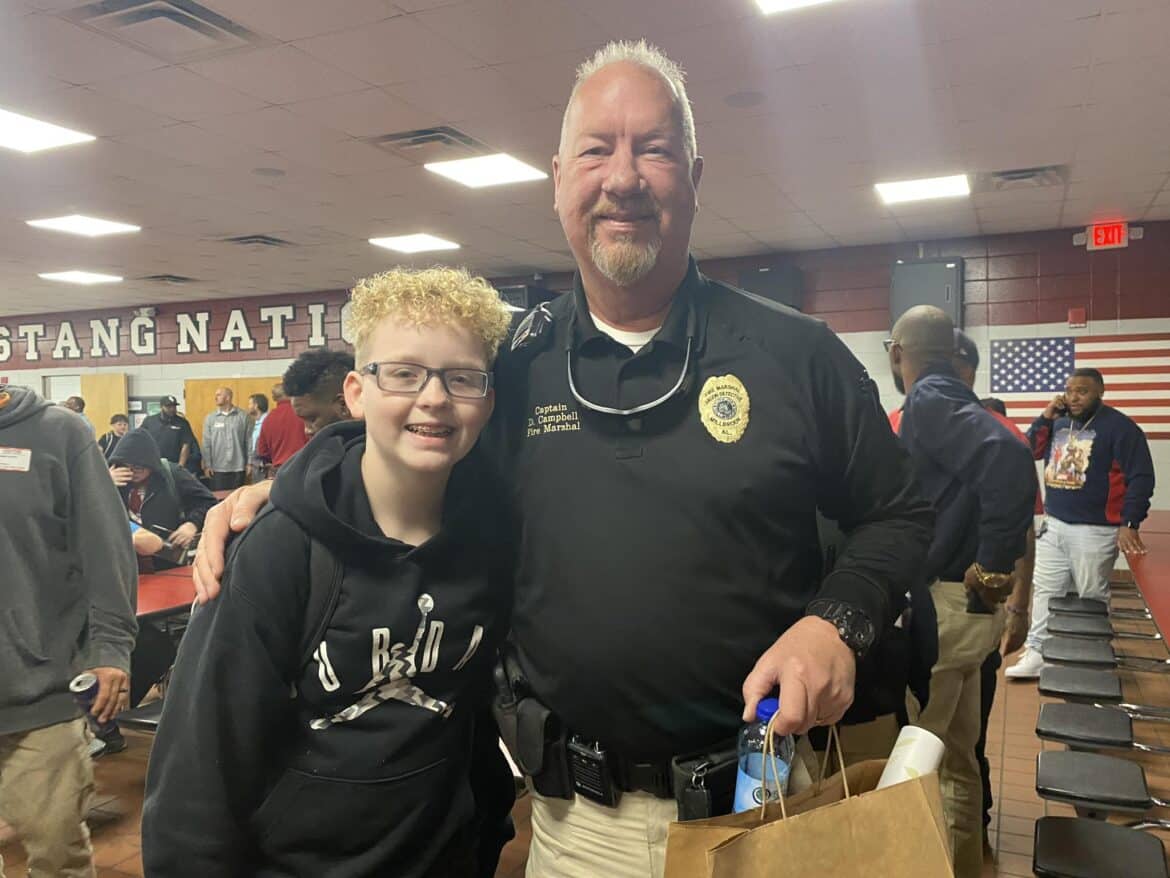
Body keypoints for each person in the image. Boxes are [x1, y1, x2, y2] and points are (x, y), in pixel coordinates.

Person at [196, 40, 933, 878]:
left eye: (653, 149)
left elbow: (900, 512)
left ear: (694, 175)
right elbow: (413, 439)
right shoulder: (512, 364)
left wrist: (835, 624)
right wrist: (295, 488)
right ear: (557, 180)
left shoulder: (796, 354)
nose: (623, 178)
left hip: (762, 807)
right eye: (596, 150)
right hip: (579, 828)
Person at [142, 267, 515, 876]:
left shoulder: (494, 535)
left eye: (462, 377)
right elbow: (201, 762)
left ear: (488, 400)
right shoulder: (281, 547)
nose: (434, 397)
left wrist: (486, 831)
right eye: (404, 373)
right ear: (357, 393)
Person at [886, 306, 1035, 878]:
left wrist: (995, 568)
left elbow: (1008, 457)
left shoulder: (927, 398)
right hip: (969, 613)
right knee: (959, 763)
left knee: (914, 763)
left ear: (897, 354)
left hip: (945, 611)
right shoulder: (957, 396)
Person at [0, 384, 137, 876]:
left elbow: (106, 550)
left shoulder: (59, 433)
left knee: (57, 855)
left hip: (40, 693)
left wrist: (111, 648)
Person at [1006, 367, 1156, 680]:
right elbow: (1028, 449)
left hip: (1096, 529)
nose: (1074, 397)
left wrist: (1130, 522)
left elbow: (1141, 478)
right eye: (1070, 390)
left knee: (1091, 594)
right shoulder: (1059, 422)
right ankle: (1038, 652)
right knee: (1045, 590)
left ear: (1100, 392)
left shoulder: (1121, 428)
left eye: (1083, 391)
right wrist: (1045, 417)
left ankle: (1091, 657)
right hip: (1055, 523)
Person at [108, 428, 217, 565]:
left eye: (138, 467)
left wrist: (192, 524)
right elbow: (93, 513)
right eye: (125, 466)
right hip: (126, 562)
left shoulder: (172, 474)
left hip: (169, 560)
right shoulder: (112, 481)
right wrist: (104, 483)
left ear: (150, 463)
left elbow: (209, 503)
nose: (132, 472)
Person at [201, 386, 250, 491]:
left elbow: (249, 441)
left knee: (237, 498)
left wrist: (249, 463)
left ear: (228, 397)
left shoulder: (243, 416)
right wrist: (207, 465)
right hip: (217, 469)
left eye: (219, 395)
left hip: (238, 467)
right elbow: (206, 443)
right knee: (219, 498)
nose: (215, 398)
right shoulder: (210, 418)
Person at [255, 381, 309, 474]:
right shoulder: (302, 413)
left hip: (279, 470)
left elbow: (262, 451)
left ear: (274, 398)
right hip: (303, 468)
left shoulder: (268, 418)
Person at [140, 395, 198, 468]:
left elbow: (186, 445)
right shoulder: (149, 421)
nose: (172, 409)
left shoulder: (183, 423)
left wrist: (180, 466)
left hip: (174, 465)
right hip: (153, 464)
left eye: (174, 406)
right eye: (169, 407)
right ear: (161, 407)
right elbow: (141, 440)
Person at [246, 392, 268, 481]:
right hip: (256, 466)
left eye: (250, 404)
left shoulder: (268, 421)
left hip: (264, 467)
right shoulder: (255, 423)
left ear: (256, 405)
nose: (248, 407)